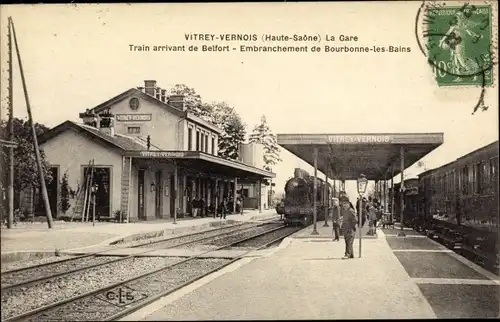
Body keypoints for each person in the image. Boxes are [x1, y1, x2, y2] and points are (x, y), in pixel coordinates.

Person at [340, 195, 358, 259]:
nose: (344, 205)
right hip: (346, 230)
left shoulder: (351, 211)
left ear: (348, 204)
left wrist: (352, 227)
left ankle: (347, 254)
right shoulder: (345, 211)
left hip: (350, 230)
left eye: (345, 204)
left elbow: (355, 220)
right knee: (348, 242)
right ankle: (351, 255)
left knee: (349, 243)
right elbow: (345, 220)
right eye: (343, 204)